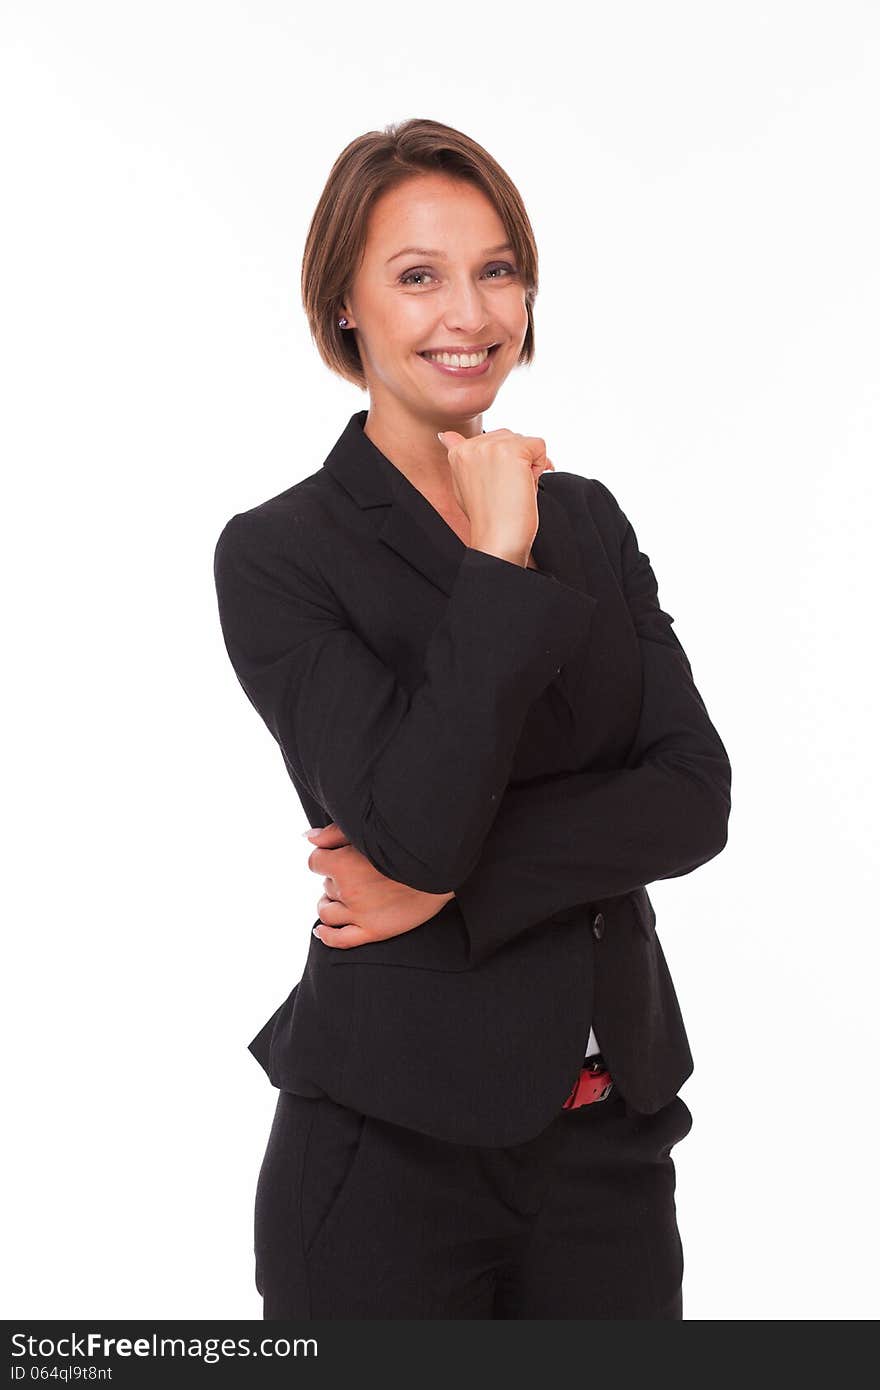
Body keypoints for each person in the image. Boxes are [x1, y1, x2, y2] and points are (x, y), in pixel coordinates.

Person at [212, 118, 732, 1320]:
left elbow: (692, 795)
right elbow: (415, 826)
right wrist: (497, 560)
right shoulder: (281, 555)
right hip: (387, 1151)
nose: (469, 312)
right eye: (417, 276)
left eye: (496, 268)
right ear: (344, 304)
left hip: (609, 1144)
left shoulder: (590, 519)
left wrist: (450, 893)